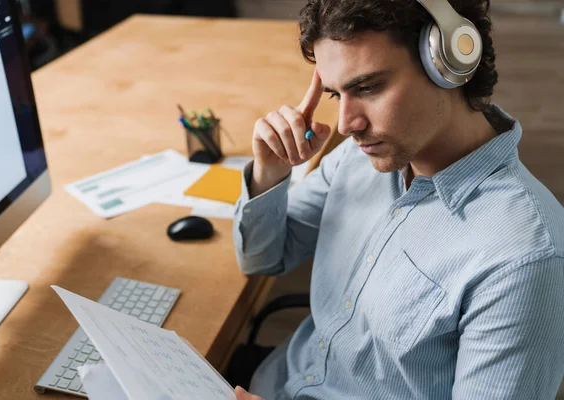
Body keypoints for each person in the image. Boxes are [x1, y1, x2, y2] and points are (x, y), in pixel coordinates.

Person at [232, 0, 564, 399]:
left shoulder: (524, 259)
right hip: (274, 380)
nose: (346, 126)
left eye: (368, 87)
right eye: (338, 95)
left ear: (449, 64)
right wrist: (271, 172)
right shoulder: (359, 158)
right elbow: (263, 258)